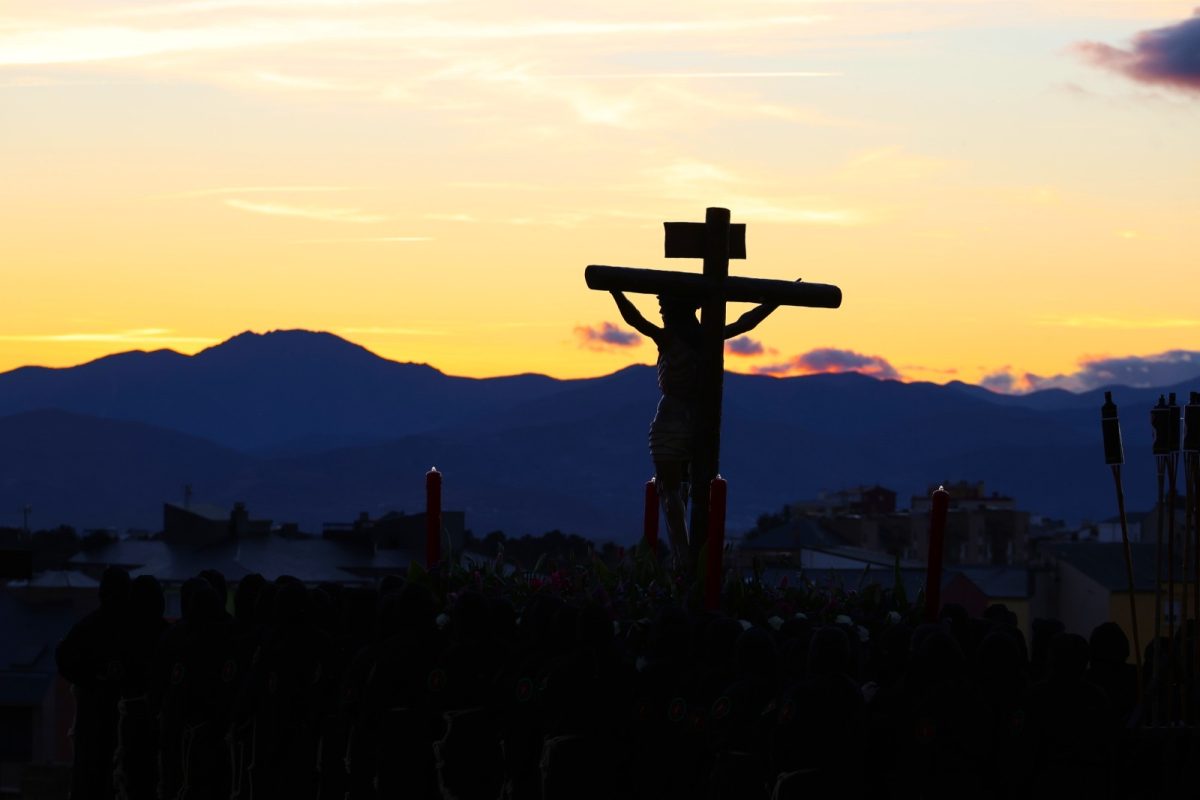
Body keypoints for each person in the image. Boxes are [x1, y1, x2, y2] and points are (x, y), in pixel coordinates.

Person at [609, 290, 783, 572]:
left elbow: (635, 320)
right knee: (680, 488)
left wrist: (615, 290)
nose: (662, 313)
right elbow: (745, 323)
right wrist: (775, 301)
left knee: (671, 490)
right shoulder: (705, 338)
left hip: (673, 419)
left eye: (665, 308)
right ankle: (685, 554)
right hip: (698, 420)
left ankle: (683, 555)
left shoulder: (670, 339)